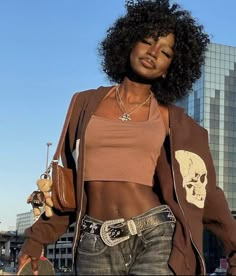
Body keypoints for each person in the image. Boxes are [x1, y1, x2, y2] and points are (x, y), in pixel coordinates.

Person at [18, 0, 236, 275]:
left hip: (155, 236)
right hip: (93, 242)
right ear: (129, 43)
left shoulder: (175, 121)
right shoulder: (84, 104)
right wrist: (35, 239)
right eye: (147, 41)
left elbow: (204, 191)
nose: (153, 53)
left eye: (165, 52)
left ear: (170, 67)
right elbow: (68, 187)